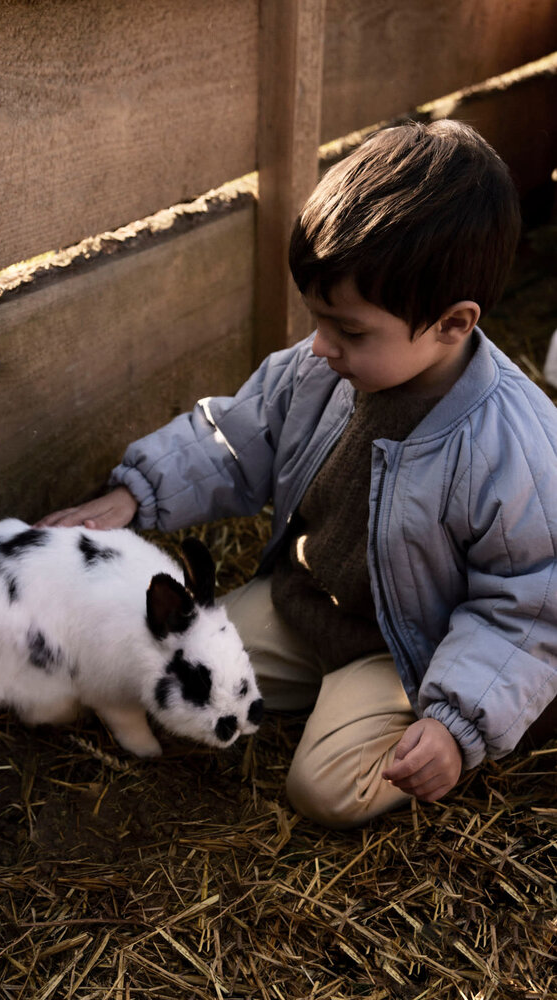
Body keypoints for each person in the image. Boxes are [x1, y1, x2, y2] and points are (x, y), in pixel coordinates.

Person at [39, 120, 557, 828]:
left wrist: (457, 727)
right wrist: (138, 492)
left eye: (349, 330)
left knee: (324, 791)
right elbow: (237, 435)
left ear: (452, 324)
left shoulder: (510, 448)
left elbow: (526, 604)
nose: (320, 345)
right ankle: (321, 695)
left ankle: (427, 726)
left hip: (405, 653)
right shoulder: (322, 370)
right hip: (304, 606)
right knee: (157, 668)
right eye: (319, 319)